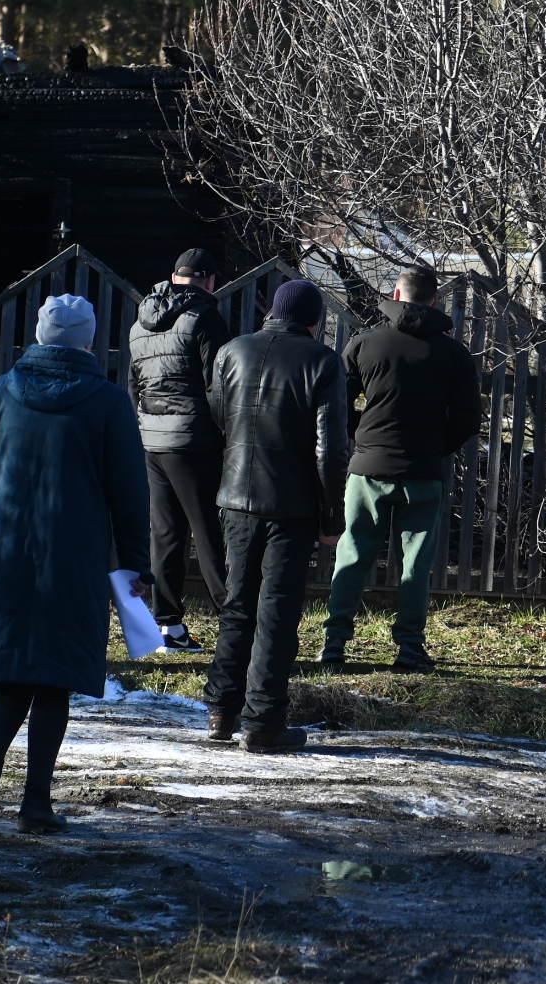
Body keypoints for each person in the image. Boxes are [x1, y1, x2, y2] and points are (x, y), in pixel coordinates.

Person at [0, 295, 151, 833]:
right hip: (76, 557)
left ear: (41, 335)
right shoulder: (109, 402)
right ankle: (36, 803)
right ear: (87, 340)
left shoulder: (2, 392)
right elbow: (129, 492)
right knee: (54, 679)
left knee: (14, 670)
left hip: (9, 551)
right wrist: (136, 562)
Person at [205, 280, 348, 754]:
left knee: (237, 603)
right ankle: (263, 719)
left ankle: (222, 709)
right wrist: (332, 519)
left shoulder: (231, 351)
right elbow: (330, 450)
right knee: (277, 611)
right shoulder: (322, 361)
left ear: (271, 313)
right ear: (314, 320)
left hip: (235, 495)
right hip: (291, 504)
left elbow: (220, 417)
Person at [318, 267, 480, 672]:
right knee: (416, 564)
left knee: (352, 554)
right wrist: (437, 448)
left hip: (369, 467)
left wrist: (362, 436)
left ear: (396, 293)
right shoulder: (453, 354)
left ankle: (335, 643)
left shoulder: (365, 344)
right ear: (434, 299)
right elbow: (467, 418)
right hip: (425, 471)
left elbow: (336, 405)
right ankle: (410, 648)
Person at [128, 248, 231, 653]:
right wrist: (223, 433)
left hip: (151, 437)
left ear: (173, 276)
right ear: (209, 280)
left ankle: (167, 626)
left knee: (166, 534)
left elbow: (135, 383)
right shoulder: (204, 317)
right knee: (207, 530)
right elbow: (217, 385)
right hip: (192, 438)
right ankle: (233, 616)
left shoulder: (141, 320)